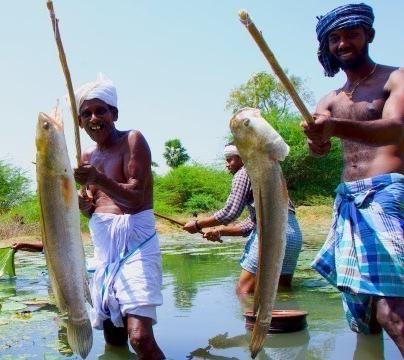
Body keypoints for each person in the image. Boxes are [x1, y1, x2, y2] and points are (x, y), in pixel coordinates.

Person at [301, 3, 404, 355]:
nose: (343, 43)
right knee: (362, 316)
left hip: (386, 196)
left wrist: (335, 126)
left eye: (351, 35)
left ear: (369, 35)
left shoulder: (395, 78)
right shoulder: (329, 99)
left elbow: (396, 129)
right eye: (335, 38)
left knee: (394, 310)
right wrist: (316, 138)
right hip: (347, 202)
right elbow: (321, 150)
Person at [72, 74, 165, 359]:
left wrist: (97, 178)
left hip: (137, 242)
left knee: (140, 339)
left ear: (114, 113)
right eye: (86, 113)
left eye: (101, 110)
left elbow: (135, 197)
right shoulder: (86, 155)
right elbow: (94, 203)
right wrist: (83, 203)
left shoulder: (132, 140)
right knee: (113, 336)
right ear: (80, 123)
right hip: (104, 247)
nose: (94, 118)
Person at [182, 143, 303, 296]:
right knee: (281, 293)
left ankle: (252, 321)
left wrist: (198, 224)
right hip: (293, 235)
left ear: (242, 157)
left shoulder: (244, 171)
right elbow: (250, 223)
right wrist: (220, 232)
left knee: (244, 291)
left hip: (270, 235)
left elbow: (230, 212)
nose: (227, 165)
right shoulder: (268, 171)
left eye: (230, 160)